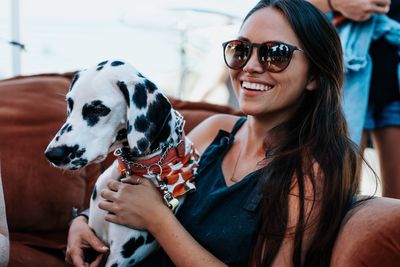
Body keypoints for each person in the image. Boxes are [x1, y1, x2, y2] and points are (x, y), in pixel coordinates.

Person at [66, 0, 360, 266]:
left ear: (314, 76)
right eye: (241, 50)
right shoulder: (215, 130)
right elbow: (134, 189)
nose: (251, 67)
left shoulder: (313, 167)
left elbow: (151, 209)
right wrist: (82, 222)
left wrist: (159, 220)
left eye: (276, 54)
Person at [310, 0, 400, 198]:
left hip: (394, 75)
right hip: (346, 71)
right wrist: (334, 3)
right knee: (340, 197)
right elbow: (278, 5)